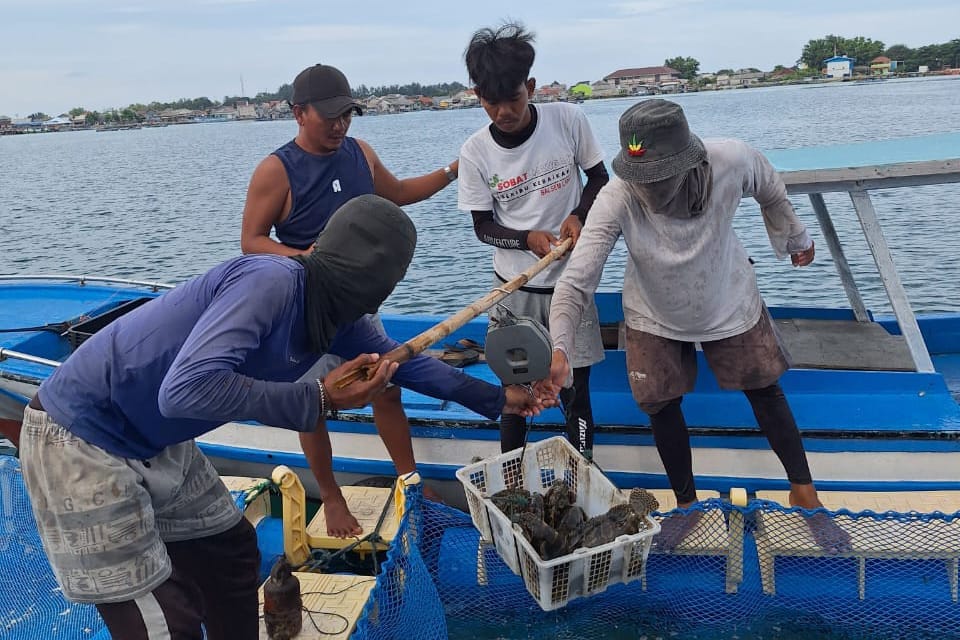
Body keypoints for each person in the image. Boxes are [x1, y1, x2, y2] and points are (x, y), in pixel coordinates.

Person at [19, 195, 544, 640]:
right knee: (163, 621)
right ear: (318, 258)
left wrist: (500, 399)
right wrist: (318, 399)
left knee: (231, 554)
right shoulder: (270, 282)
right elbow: (185, 391)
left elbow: (403, 363)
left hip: (154, 439)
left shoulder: (336, 314)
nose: (354, 309)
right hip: (81, 438)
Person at [545, 99, 851, 552]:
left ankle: (804, 491)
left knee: (764, 389)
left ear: (689, 161)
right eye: (638, 178)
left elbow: (771, 189)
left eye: (657, 178)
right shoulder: (616, 197)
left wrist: (796, 238)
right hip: (653, 310)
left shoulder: (732, 159)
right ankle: (686, 504)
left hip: (726, 293)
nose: (646, 189)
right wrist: (560, 349)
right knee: (659, 403)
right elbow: (576, 282)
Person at [240, 63, 461, 496]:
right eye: (329, 116)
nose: (340, 125)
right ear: (298, 113)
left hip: (358, 309)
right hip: (304, 311)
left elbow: (398, 195)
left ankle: (409, 480)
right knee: (312, 407)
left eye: (347, 115)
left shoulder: (360, 152)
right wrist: (308, 260)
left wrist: (453, 171)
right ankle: (333, 496)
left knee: (386, 388)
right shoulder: (277, 170)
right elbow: (252, 241)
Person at [457, 22, 609, 457]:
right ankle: (508, 476)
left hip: (571, 283)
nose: (504, 111)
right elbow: (483, 226)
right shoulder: (476, 152)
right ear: (477, 97)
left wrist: (579, 215)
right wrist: (526, 239)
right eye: (492, 102)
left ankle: (585, 470)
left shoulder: (568, 119)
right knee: (514, 396)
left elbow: (599, 177)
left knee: (575, 393)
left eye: (514, 99)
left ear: (532, 86)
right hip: (515, 290)